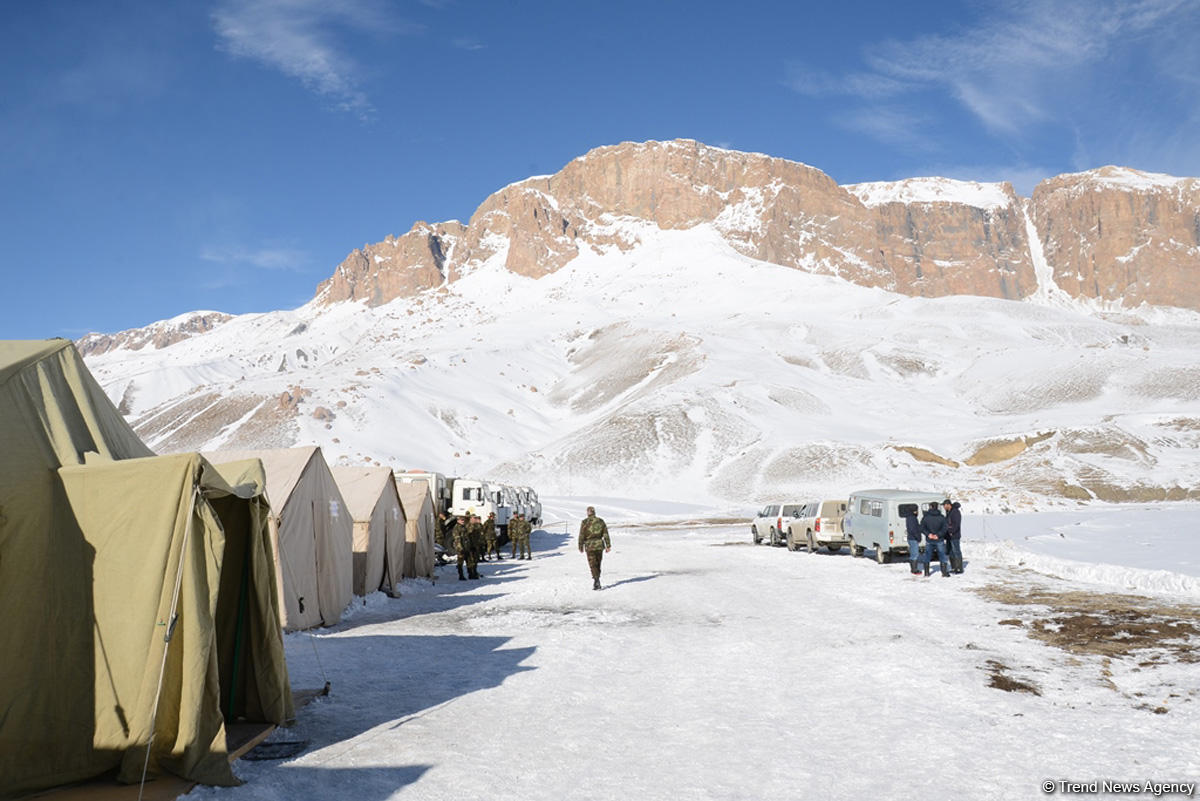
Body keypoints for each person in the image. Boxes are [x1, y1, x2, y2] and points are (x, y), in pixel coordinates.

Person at [577, 505, 611, 590]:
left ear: (588, 513)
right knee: (598, 563)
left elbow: (581, 535)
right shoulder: (601, 521)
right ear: (594, 512)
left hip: (590, 546)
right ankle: (597, 579)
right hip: (599, 545)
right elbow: (605, 534)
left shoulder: (585, 522)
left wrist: (580, 546)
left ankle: (596, 580)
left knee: (592, 564)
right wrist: (608, 545)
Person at [921, 501, 950, 577]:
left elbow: (922, 528)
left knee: (927, 556)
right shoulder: (942, 517)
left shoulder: (926, 517)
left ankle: (926, 573)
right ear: (937, 507)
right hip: (939, 539)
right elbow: (945, 528)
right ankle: (944, 572)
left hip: (929, 539)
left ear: (930, 507)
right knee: (942, 555)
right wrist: (938, 535)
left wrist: (928, 534)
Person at [452, 515, 478, 580]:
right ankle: (461, 575)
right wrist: (460, 548)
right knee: (460, 563)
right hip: (461, 548)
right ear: (458, 520)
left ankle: (471, 574)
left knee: (469, 562)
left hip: (467, 547)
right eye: (461, 520)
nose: (463, 521)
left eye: (463, 520)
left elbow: (468, 535)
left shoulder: (464, 527)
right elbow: (457, 539)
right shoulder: (456, 528)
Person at [944, 499, 964, 573]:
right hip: (949, 535)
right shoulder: (949, 512)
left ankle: (959, 568)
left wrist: (951, 531)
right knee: (951, 551)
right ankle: (953, 567)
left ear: (948, 504)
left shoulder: (955, 512)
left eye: (944, 505)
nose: (943, 507)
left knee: (956, 551)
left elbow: (956, 524)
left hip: (954, 535)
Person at [904, 506, 924, 576]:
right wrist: (918, 537)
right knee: (915, 554)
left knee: (913, 553)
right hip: (913, 538)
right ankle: (914, 569)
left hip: (911, 538)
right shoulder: (912, 518)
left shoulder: (909, 517)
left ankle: (913, 568)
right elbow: (913, 529)